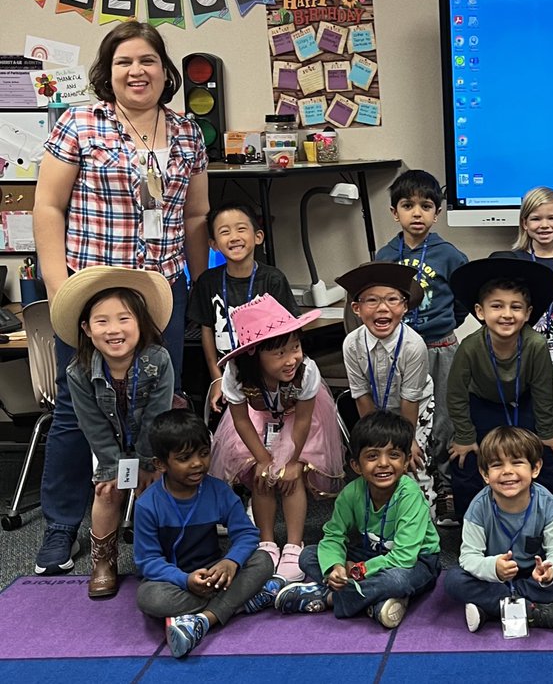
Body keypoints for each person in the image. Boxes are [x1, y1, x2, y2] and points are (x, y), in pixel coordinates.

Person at [31, 20, 210, 576]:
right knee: (75, 409)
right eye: (124, 62)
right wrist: (61, 288)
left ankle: (149, 514)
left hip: (159, 292)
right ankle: (63, 525)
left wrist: (200, 290)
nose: (138, 71)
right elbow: (47, 208)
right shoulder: (80, 123)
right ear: (108, 73)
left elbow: (198, 214)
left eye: (148, 61)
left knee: (162, 403)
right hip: (93, 294)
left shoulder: (186, 133)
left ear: (165, 70)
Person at [52, 266, 175, 597]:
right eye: (101, 321)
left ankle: (154, 558)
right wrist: (113, 468)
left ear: (140, 323)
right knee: (106, 492)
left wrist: (147, 463)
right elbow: (91, 423)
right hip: (110, 448)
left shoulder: (158, 360)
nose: (113, 330)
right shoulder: (78, 371)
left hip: (154, 444)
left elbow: (157, 415)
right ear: (87, 329)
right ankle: (103, 562)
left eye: (124, 319)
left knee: (154, 492)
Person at [208, 295, 345, 581]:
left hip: (298, 421)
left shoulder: (306, 371)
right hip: (257, 420)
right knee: (262, 475)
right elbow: (241, 420)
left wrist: (292, 460)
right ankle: (266, 542)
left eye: (295, 347)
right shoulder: (235, 374)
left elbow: (305, 419)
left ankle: (294, 544)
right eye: (279, 353)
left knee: (289, 475)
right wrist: (262, 459)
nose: (291, 358)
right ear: (254, 354)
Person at [274, 411, 441, 628]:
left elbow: (404, 558)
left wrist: (358, 570)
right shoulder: (351, 493)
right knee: (308, 556)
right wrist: (335, 567)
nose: (383, 463)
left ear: (406, 460)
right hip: (371, 553)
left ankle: (330, 598)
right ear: (356, 465)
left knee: (397, 580)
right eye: (372, 456)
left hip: (418, 560)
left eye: (393, 455)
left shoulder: (409, 495)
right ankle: (375, 602)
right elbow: (333, 536)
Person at [133, 410, 277, 658]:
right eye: (185, 458)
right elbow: (148, 562)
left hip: (216, 570)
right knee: (149, 598)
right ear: (161, 464)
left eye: (203, 453)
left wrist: (230, 562)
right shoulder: (148, 504)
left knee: (263, 559)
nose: (198, 463)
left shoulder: (218, 491)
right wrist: (185, 580)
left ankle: (203, 620)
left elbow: (247, 534)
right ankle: (238, 602)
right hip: (175, 580)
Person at [375, 169, 469, 527]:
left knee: (444, 418)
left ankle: (444, 488)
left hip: (440, 347)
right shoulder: (386, 254)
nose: (417, 213)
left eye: (426, 206)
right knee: (404, 415)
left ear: (437, 212)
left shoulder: (450, 255)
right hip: (397, 350)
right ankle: (404, 488)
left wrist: (443, 329)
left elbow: (462, 304)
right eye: (408, 205)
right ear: (394, 212)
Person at [447, 257, 553, 518]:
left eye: (516, 307)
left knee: (549, 454)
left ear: (528, 313)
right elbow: (456, 394)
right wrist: (465, 435)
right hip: (483, 404)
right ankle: (473, 524)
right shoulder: (469, 347)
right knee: (465, 458)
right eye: (497, 306)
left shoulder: (535, 345)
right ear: (480, 311)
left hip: (525, 403)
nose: (507, 314)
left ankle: (550, 521)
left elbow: (543, 392)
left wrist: (546, 431)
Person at [443, 427, 553, 634]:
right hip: (494, 576)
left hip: (533, 575)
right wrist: (493, 568)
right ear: (484, 474)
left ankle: (492, 609)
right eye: (497, 465)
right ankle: (537, 612)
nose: (507, 471)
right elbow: (469, 557)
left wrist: (550, 572)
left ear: (535, 468)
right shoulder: (478, 508)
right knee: (454, 580)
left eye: (517, 462)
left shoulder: (548, 505)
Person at [336, 262, 436, 507]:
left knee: (411, 462)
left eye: (392, 300)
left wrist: (407, 440)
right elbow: (360, 395)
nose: (382, 308)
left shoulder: (413, 345)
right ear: (357, 308)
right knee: (378, 463)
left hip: (414, 410)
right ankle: (382, 522)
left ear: (404, 306)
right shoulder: (352, 344)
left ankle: (424, 520)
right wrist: (375, 437)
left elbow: (409, 399)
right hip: (374, 411)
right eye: (372, 301)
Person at [188, 202, 299, 413]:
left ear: (258, 236)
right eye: (224, 231)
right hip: (226, 374)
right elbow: (207, 330)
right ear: (213, 244)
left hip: (268, 375)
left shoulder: (272, 279)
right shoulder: (208, 282)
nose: (234, 237)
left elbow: (288, 332)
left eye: (241, 229)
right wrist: (217, 378)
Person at [494, 186, 553, 367]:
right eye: (536, 219)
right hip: (526, 351)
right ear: (524, 224)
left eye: (552, 218)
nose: (544, 225)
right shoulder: (516, 259)